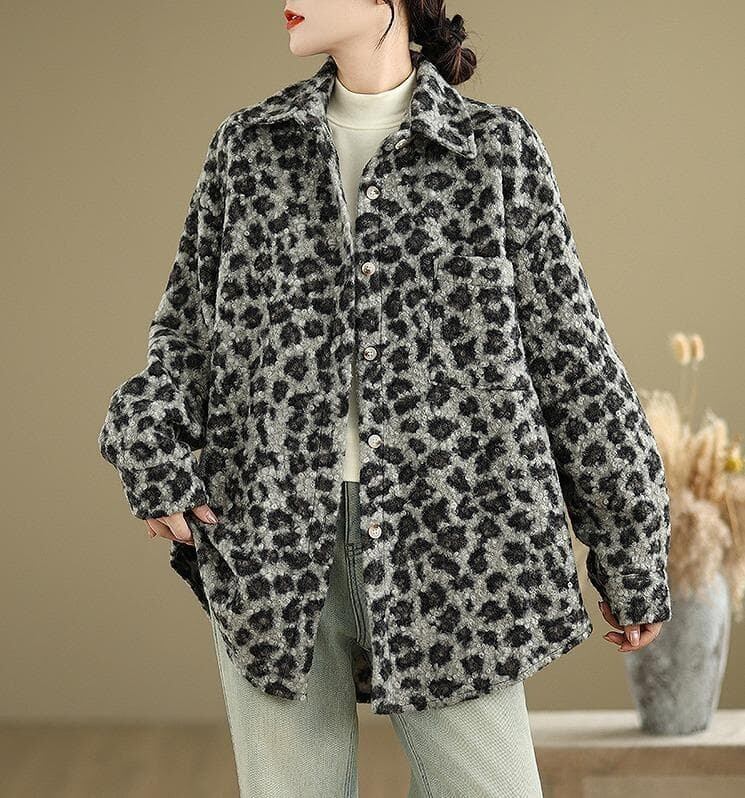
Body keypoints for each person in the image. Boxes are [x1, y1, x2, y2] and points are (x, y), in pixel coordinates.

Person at [98, 1, 673, 795]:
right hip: (269, 537)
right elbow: (188, 331)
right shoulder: (249, 149)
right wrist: (153, 453)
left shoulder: (492, 149)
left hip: (456, 544)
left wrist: (629, 545)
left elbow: (570, 354)